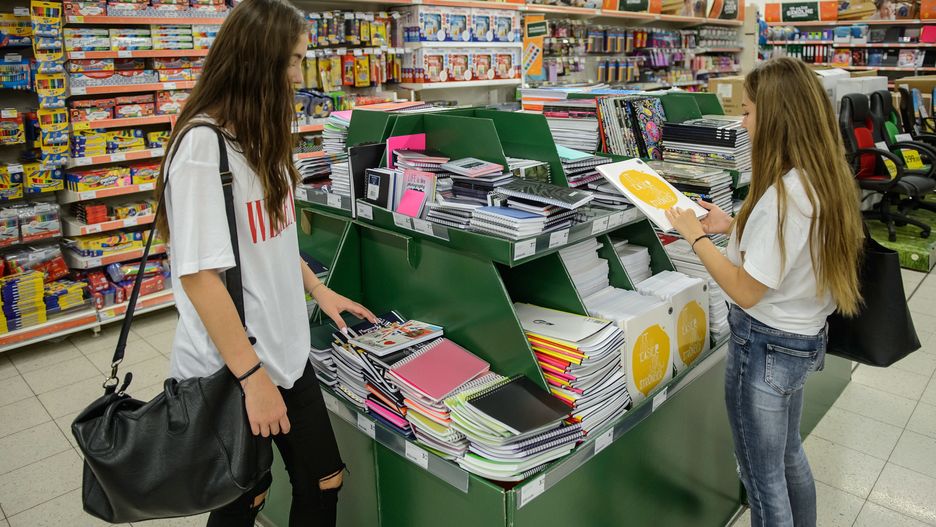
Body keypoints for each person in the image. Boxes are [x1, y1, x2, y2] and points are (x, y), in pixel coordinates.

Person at [154, 1, 376, 525]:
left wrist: (317, 289)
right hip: (233, 366)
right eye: (292, 61)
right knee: (244, 497)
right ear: (256, 61)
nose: (299, 77)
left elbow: (269, 242)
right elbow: (200, 278)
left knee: (324, 479)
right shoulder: (203, 147)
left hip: (286, 351)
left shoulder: (261, 136)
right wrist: (253, 379)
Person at [665, 57, 864, 527]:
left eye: (748, 111)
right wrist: (732, 225)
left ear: (777, 118)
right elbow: (791, 248)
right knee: (789, 455)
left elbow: (746, 290)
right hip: (802, 338)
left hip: (765, 346)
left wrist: (695, 238)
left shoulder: (784, 198)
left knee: (761, 478)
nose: (742, 122)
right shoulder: (821, 177)